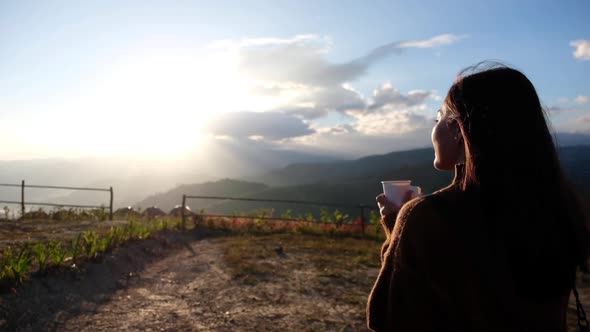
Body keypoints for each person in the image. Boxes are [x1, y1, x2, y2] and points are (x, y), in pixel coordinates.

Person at [366, 62, 590, 332]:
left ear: (458, 129)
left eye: (438, 117)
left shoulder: (427, 217)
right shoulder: (559, 206)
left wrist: (398, 226)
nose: (434, 127)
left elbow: (386, 317)